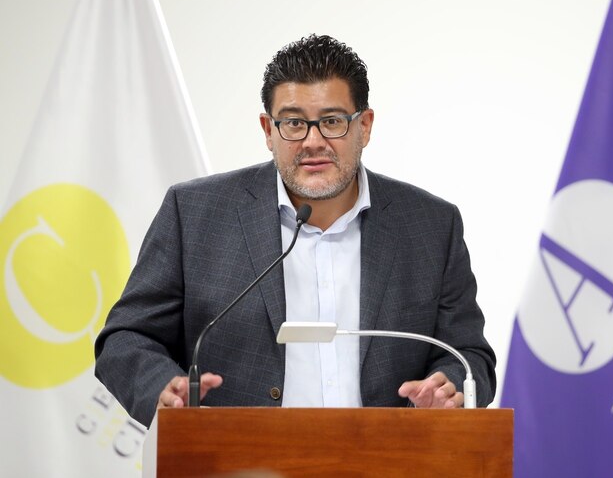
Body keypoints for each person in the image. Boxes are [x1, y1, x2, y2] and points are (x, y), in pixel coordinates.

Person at [94, 34, 496, 427]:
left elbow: (468, 354)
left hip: (386, 464)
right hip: (240, 466)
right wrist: (162, 389)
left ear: (365, 126)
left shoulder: (430, 225)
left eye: (333, 121)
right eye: (293, 123)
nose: (313, 141)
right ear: (268, 130)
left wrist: (450, 387)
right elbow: (125, 339)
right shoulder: (196, 214)